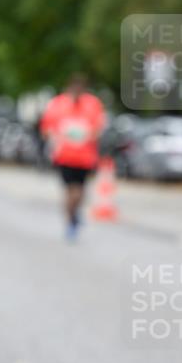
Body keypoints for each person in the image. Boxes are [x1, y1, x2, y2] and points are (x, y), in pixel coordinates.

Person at [39, 74, 106, 241]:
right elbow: (46, 128)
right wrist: (56, 136)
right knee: (70, 191)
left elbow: (99, 127)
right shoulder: (58, 104)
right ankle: (71, 221)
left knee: (80, 191)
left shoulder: (93, 104)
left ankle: (74, 214)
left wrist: (87, 135)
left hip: (85, 157)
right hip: (64, 156)